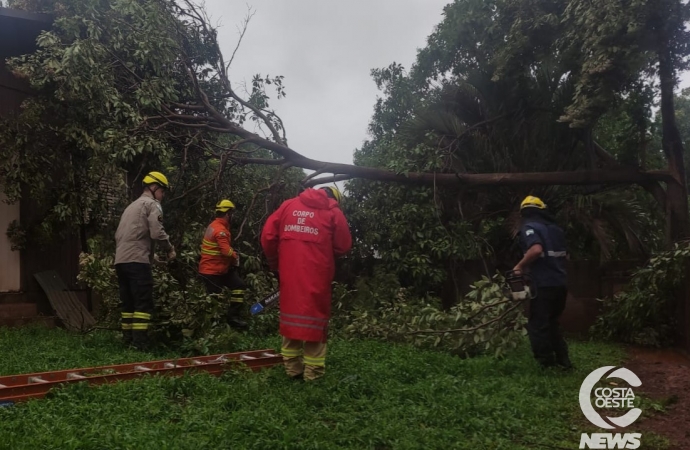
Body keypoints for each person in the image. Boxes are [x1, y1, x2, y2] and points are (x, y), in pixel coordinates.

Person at [260, 186, 352, 381]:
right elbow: (343, 245)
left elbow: (267, 236)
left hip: (289, 273)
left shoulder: (287, 206)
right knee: (315, 318)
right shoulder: (333, 212)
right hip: (318, 274)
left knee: (291, 316)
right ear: (333, 198)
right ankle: (313, 373)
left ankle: (293, 369)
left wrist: (275, 264)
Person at [114, 171, 176, 350]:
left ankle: (127, 340)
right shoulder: (152, 205)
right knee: (142, 301)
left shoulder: (131, 207)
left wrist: (152, 257)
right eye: (162, 191)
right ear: (154, 187)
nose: (162, 196)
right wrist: (170, 249)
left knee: (128, 303)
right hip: (137, 261)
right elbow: (157, 233)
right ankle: (140, 343)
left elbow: (127, 236)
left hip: (121, 260)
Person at [513, 195, 572, 369]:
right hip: (560, 284)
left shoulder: (530, 227)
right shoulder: (556, 230)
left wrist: (519, 267)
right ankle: (563, 360)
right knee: (552, 322)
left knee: (538, 324)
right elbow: (564, 256)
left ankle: (547, 364)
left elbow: (536, 249)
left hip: (544, 284)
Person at [198, 199, 248, 329]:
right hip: (212, 271)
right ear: (228, 214)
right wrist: (235, 257)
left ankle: (233, 317)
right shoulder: (221, 230)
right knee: (214, 301)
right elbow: (226, 251)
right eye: (232, 213)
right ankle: (213, 327)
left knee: (239, 286)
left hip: (220, 269)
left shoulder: (213, 225)